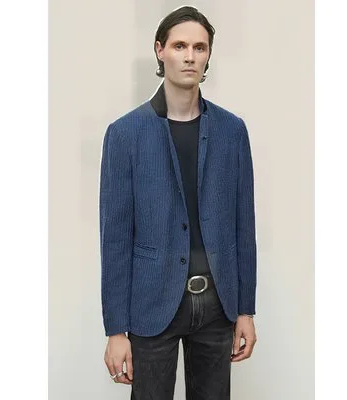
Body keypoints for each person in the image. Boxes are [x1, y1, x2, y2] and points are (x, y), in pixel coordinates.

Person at [99, 6, 257, 399]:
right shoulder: (125, 134)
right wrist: (115, 330)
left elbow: (244, 225)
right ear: (160, 50)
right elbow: (114, 239)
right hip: (152, 304)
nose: (190, 56)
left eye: (199, 48)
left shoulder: (232, 131)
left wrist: (245, 310)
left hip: (218, 305)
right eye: (179, 46)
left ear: (208, 55)